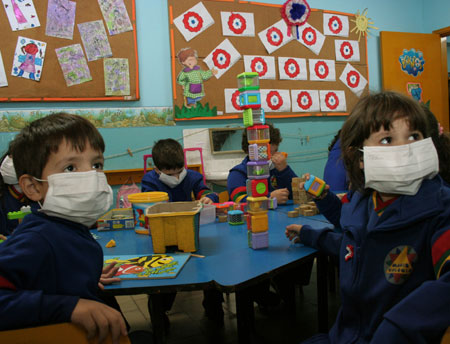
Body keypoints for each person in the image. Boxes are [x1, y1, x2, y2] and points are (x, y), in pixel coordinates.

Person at [286, 91, 450, 343]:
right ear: (358, 157)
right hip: (343, 336)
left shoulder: (440, 207)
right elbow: (358, 247)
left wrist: (398, 328)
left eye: (414, 136)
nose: (406, 149)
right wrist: (312, 235)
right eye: (387, 140)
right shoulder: (362, 201)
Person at [0, 113, 128, 343]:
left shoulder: (67, 227)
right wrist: (69, 306)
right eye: (70, 168)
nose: (91, 175)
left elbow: (46, 274)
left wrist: (78, 279)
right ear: (32, 187)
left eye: (96, 164)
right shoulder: (38, 238)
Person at [141, 138, 223, 325]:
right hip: (164, 234)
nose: (177, 177)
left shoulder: (192, 177)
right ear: (157, 169)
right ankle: (160, 314)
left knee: (209, 269)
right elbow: (148, 206)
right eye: (170, 174)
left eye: (179, 172)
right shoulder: (150, 180)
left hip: (189, 231)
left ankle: (214, 308)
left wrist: (208, 197)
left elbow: (205, 191)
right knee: (166, 276)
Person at [227, 122, 296, 204]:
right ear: (251, 151)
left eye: (274, 152)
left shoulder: (276, 170)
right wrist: (269, 198)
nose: (271, 158)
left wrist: (285, 170)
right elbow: (240, 200)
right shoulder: (238, 173)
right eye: (266, 154)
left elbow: (296, 193)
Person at [0, 153, 36, 236]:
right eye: (9, 156)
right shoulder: (4, 196)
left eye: (14, 157)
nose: (8, 162)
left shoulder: (40, 198)